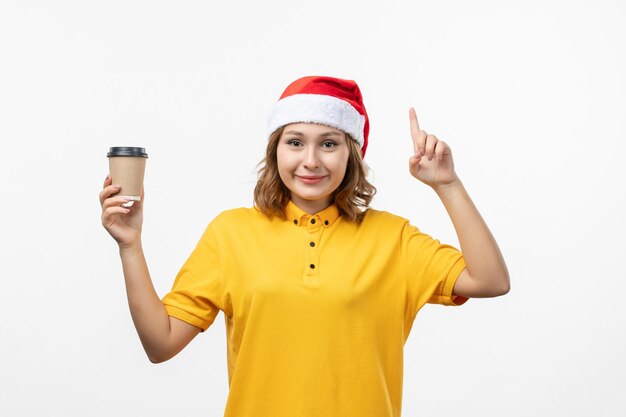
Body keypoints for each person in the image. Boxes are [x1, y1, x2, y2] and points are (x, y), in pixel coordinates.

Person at [99, 75, 510, 417]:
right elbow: (161, 343)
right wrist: (130, 246)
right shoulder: (231, 233)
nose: (310, 160)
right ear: (275, 150)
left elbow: (490, 280)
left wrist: (448, 185)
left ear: (350, 154)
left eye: (328, 143)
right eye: (295, 142)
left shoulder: (393, 239)